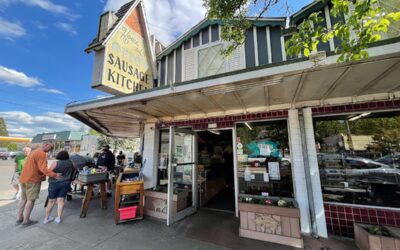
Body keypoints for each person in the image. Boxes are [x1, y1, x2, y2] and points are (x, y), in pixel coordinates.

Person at [17, 142, 61, 227]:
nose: (50, 150)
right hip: (32, 180)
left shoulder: (34, 152)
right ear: (46, 145)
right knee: (30, 200)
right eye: (50, 147)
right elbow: (43, 168)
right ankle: (26, 220)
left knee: (23, 199)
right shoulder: (41, 153)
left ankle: (19, 218)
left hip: (24, 178)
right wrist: (54, 175)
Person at [43, 151, 74, 224]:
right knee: (61, 200)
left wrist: (55, 174)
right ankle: (58, 218)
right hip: (65, 183)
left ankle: (46, 218)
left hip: (54, 183)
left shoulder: (55, 163)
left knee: (51, 201)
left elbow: (48, 172)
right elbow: (74, 171)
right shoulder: (71, 162)